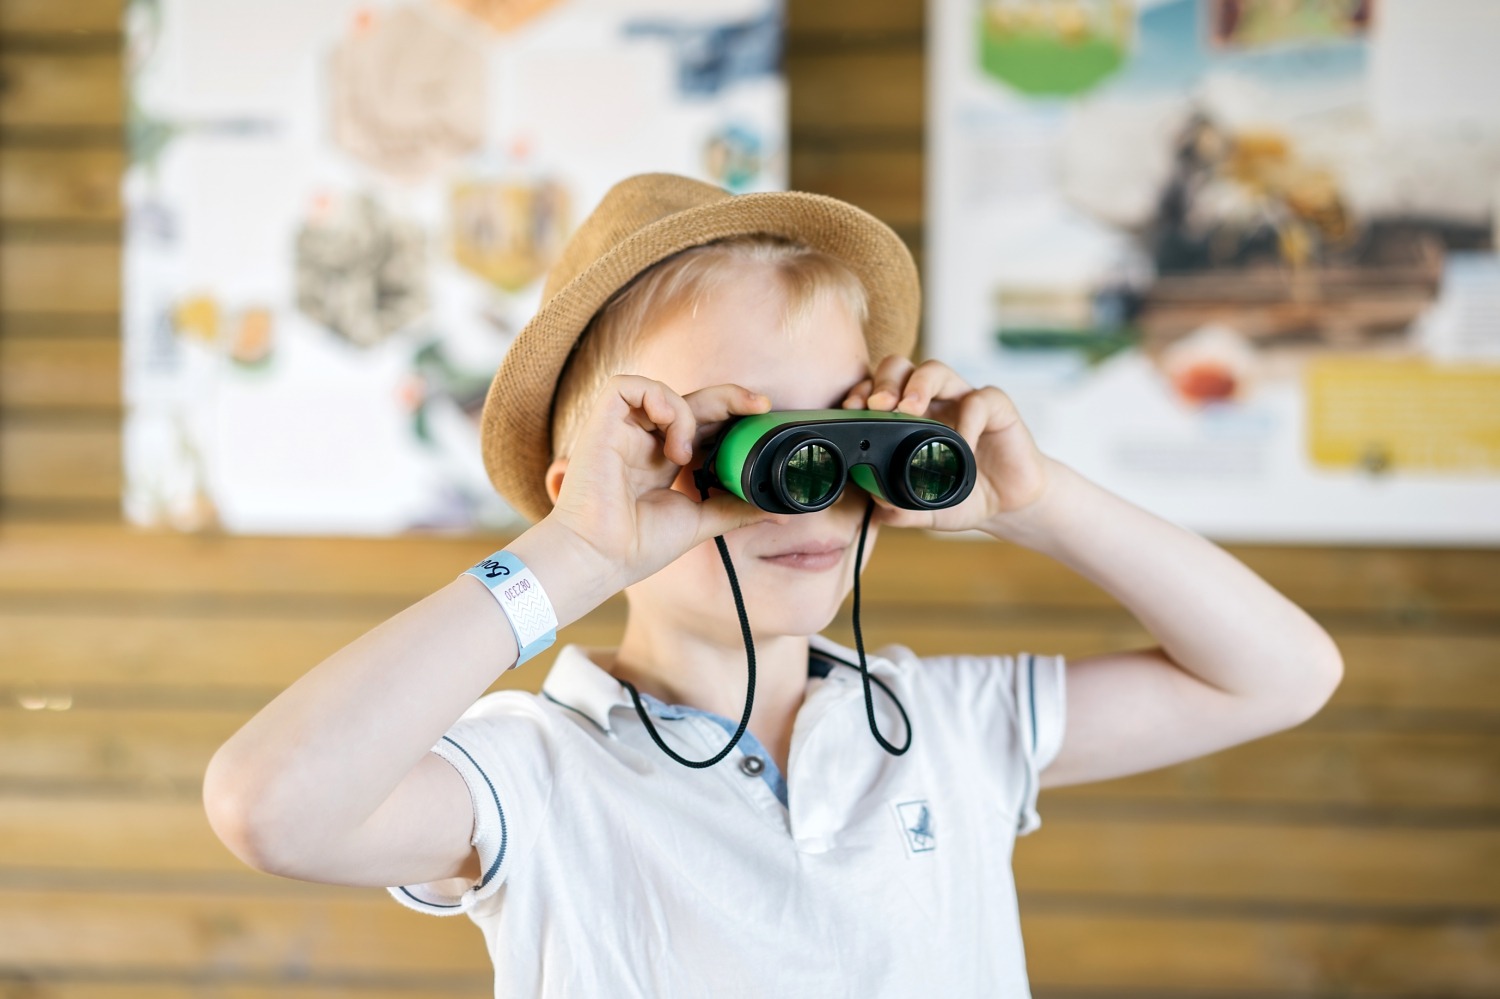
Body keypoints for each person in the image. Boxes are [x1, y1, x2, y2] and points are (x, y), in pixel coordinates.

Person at [203, 173, 1344, 996]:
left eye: (845, 433)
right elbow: (272, 806)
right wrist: (581, 551)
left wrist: (1035, 501)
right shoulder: (535, 779)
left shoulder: (947, 732)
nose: (817, 491)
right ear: (605, 475)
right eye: (740, 444)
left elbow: (1283, 675)